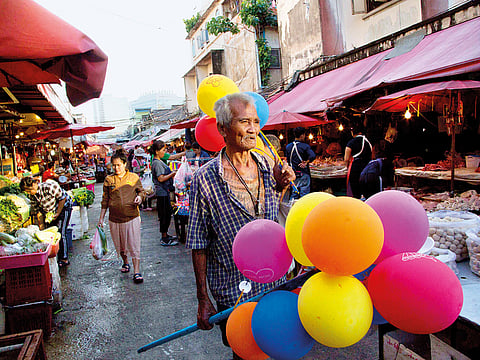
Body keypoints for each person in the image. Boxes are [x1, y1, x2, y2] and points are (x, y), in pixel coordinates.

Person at [186, 93, 295, 359]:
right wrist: (203, 299)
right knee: (245, 353)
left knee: (279, 347)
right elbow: (198, 243)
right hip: (234, 289)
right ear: (223, 128)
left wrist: (281, 187)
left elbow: (271, 219)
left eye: (256, 122)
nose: (252, 129)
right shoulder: (205, 179)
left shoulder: (269, 166)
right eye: (244, 121)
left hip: (274, 282)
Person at [97, 151, 146, 284]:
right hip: (115, 219)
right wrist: (101, 218)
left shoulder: (134, 177)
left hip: (132, 217)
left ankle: (137, 271)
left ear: (125, 164)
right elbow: (105, 200)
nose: (116, 168)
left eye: (119, 165)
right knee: (121, 244)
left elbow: (141, 192)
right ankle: (125, 262)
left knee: (134, 244)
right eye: (114, 166)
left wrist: (139, 198)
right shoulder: (109, 180)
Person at [20, 177, 73, 268]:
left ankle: (64, 258)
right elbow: (38, 212)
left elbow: (62, 199)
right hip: (50, 212)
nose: (29, 193)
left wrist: (57, 213)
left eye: (29, 191)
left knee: (61, 231)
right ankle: (56, 254)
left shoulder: (49, 187)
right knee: (52, 234)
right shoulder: (33, 196)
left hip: (64, 207)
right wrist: (42, 228)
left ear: (34, 185)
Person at [149, 140, 179, 246]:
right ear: (157, 151)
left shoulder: (158, 161)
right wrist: (172, 174)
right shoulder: (157, 163)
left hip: (164, 191)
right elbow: (161, 178)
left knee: (166, 213)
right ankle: (164, 238)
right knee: (164, 214)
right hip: (161, 192)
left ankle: (166, 235)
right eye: (163, 150)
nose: (164, 151)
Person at [285, 127, 316, 199]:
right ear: (302, 135)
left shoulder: (288, 147)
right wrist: (306, 162)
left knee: (294, 194)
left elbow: (287, 159)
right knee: (304, 195)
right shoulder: (305, 146)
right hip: (303, 173)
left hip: (293, 174)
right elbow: (312, 156)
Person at [344, 125, 372, 199]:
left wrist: (346, 167)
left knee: (355, 188)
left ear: (353, 132)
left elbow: (346, 158)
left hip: (355, 167)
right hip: (367, 167)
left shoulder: (351, 142)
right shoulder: (368, 142)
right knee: (364, 187)